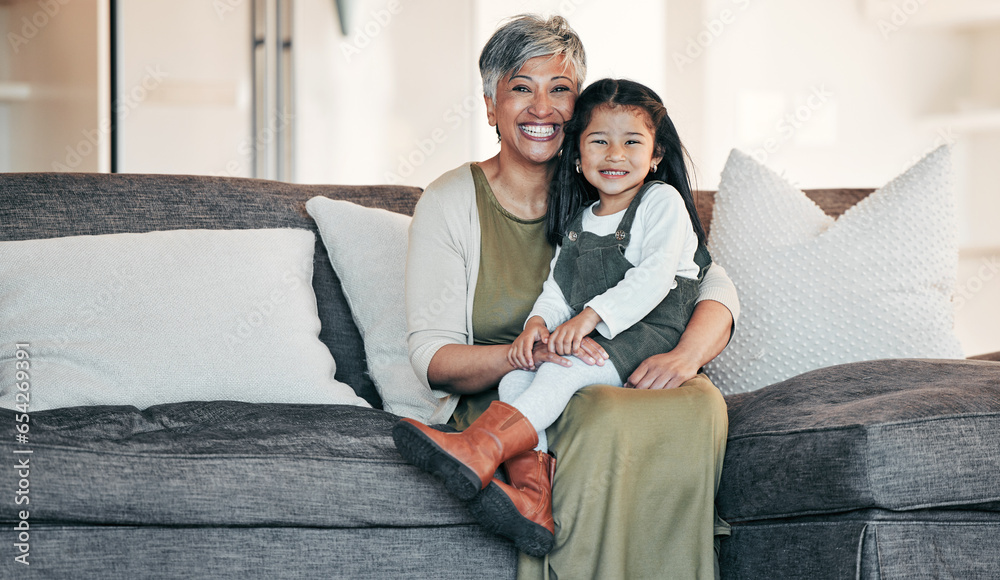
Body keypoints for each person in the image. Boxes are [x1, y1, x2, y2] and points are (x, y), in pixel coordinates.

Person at [396, 14, 739, 579]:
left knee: (690, 403)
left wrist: (686, 356)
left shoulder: (615, 187)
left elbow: (703, 278)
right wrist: (528, 349)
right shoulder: (452, 203)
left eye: (559, 90)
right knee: (598, 410)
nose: (541, 107)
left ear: (576, 108)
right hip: (533, 379)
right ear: (490, 107)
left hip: (626, 358)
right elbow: (432, 360)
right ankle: (527, 491)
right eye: (520, 89)